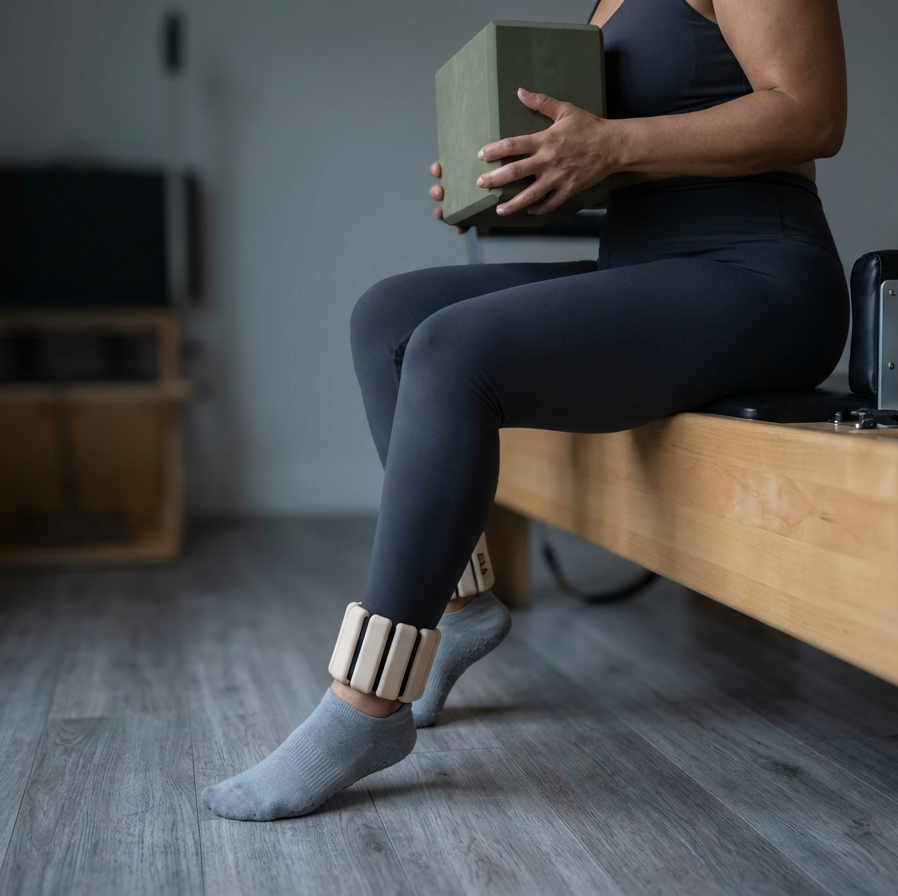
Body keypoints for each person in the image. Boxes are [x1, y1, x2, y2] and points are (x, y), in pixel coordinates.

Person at [203, 0, 849, 821]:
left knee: (454, 351)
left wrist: (609, 143)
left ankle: (365, 704)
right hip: (649, 269)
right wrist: (521, 177)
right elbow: (634, 163)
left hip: (764, 277)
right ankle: (459, 609)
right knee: (390, 318)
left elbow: (810, 113)